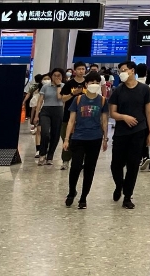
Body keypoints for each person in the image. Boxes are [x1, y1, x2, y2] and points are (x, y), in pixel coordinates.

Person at [107, 61, 150, 209]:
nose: (122, 73)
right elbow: (112, 113)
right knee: (116, 165)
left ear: (132, 71)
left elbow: (149, 112)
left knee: (133, 165)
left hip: (138, 132)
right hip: (121, 132)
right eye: (120, 70)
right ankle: (119, 185)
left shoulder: (144, 89)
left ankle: (127, 196)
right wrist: (124, 117)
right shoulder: (118, 91)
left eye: (124, 70)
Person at [62, 73, 108, 209]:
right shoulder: (78, 100)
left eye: (96, 82)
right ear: (86, 84)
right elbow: (71, 120)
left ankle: (83, 197)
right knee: (75, 167)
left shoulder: (102, 101)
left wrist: (105, 138)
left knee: (89, 168)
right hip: (78, 137)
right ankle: (72, 192)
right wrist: (66, 139)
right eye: (91, 82)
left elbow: (104, 121)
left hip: (95, 138)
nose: (94, 84)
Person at [33, 68, 66, 166]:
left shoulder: (64, 86)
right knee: (45, 132)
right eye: (54, 75)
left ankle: (50, 156)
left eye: (59, 75)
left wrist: (58, 86)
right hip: (46, 110)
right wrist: (36, 115)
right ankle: (42, 153)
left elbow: (60, 98)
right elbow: (40, 101)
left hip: (58, 110)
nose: (56, 77)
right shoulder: (45, 86)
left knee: (55, 134)